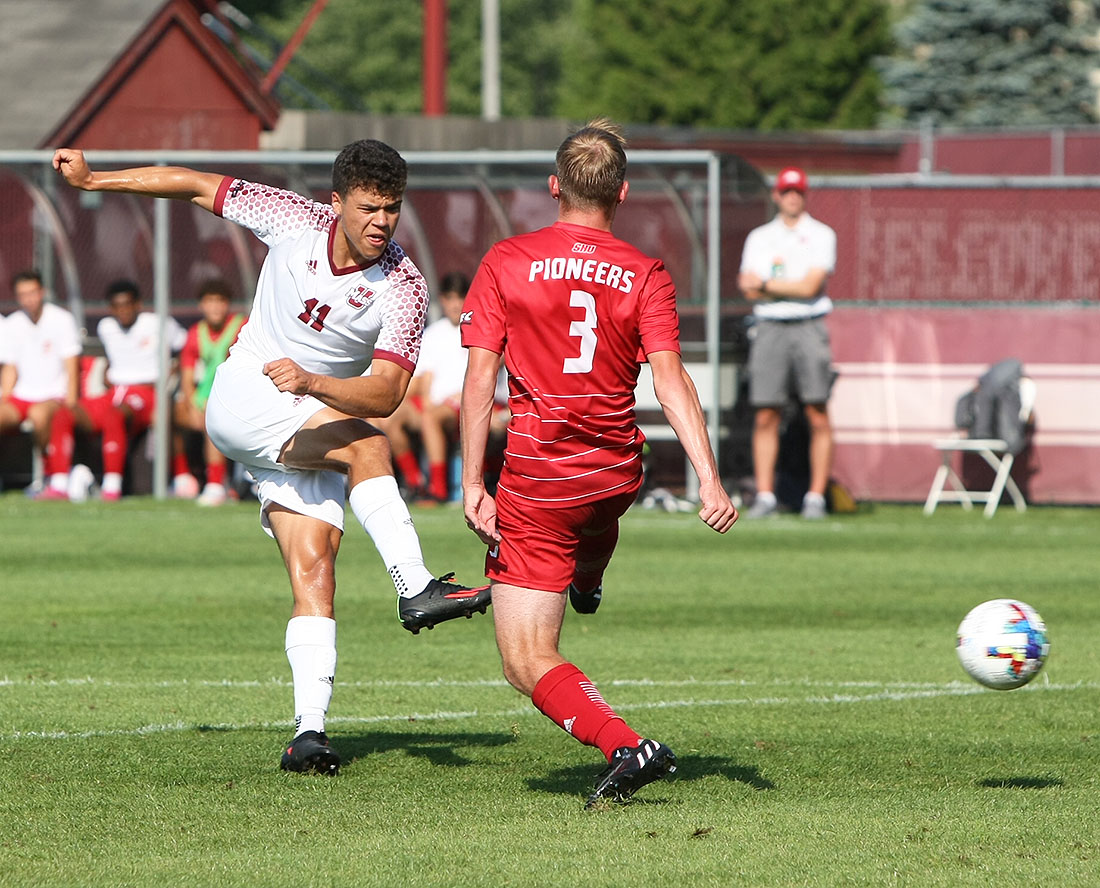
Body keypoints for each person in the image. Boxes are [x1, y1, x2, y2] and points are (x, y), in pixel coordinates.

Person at [53, 140, 491, 776]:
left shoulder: (404, 286)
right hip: (244, 400)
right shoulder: (292, 217)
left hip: (307, 415)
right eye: (369, 208)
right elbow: (192, 183)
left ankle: (307, 735)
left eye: (392, 210)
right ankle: (415, 586)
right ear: (335, 202)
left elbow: (390, 392)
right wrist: (96, 182)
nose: (381, 223)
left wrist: (314, 381)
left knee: (315, 568)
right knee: (366, 444)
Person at [460, 119, 738, 809]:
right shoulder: (645, 272)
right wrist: (708, 477)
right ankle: (587, 577)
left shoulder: (506, 260)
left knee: (526, 661)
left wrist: (470, 482)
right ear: (623, 193)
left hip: (540, 479)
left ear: (554, 187)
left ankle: (625, 744)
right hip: (616, 475)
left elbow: (478, 381)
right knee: (590, 520)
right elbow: (671, 381)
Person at [737, 166, 837, 520]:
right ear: (776, 195)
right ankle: (765, 495)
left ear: (804, 195)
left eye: (798, 192)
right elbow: (746, 285)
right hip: (770, 326)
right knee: (766, 412)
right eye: (786, 191)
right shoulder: (760, 237)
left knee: (817, 410)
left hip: (809, 325)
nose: (792, 197)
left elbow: (810, 287)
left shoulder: (821, 235)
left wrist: (766, 285)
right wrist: (778, 286)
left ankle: (816, 496)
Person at [63, 280, 189, 501]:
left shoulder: (158, 323)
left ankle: (113, 485)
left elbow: (183, 345)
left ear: (138, 304)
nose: (123, 311)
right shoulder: (106, 327)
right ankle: (59, 482)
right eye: (117, 306)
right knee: (64, 412)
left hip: (148, 393)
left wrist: (174, 369)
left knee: (121, 414)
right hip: (116, 392)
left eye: (127, 304)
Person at [381, 271, 472, 502]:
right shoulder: (432, 334)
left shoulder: (476, 329)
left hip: (463, 404)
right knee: (390, 416)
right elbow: (424, 378)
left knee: (431, 417)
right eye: (450, 298)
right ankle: (415, 482)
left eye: (460, 298)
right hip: (434, 404)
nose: (455, 305)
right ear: (442, 300)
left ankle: (438, 490)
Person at [0, 270, 81, 499]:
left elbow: (71, 363)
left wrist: (72, 400)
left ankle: (52, 474)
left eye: (32, 293)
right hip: (22, 395)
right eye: (23, 294)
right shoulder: (12, 323)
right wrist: (5, 399)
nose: (28, 299)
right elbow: (10, 367)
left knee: (39, 414)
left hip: (54, 396)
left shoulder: (61, 319)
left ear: (42, 292)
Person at [174, 278, 246, 506]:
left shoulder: (241, 327)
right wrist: (192, 403)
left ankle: (216, 484)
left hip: (236, 396)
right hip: (205, 396)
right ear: (201, 305)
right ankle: (182, 476)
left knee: (212, 417)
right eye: (209, 302)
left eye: (220, 301)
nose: (215, 307)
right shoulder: (196, 333)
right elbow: (186, 377)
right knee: (172, 413)